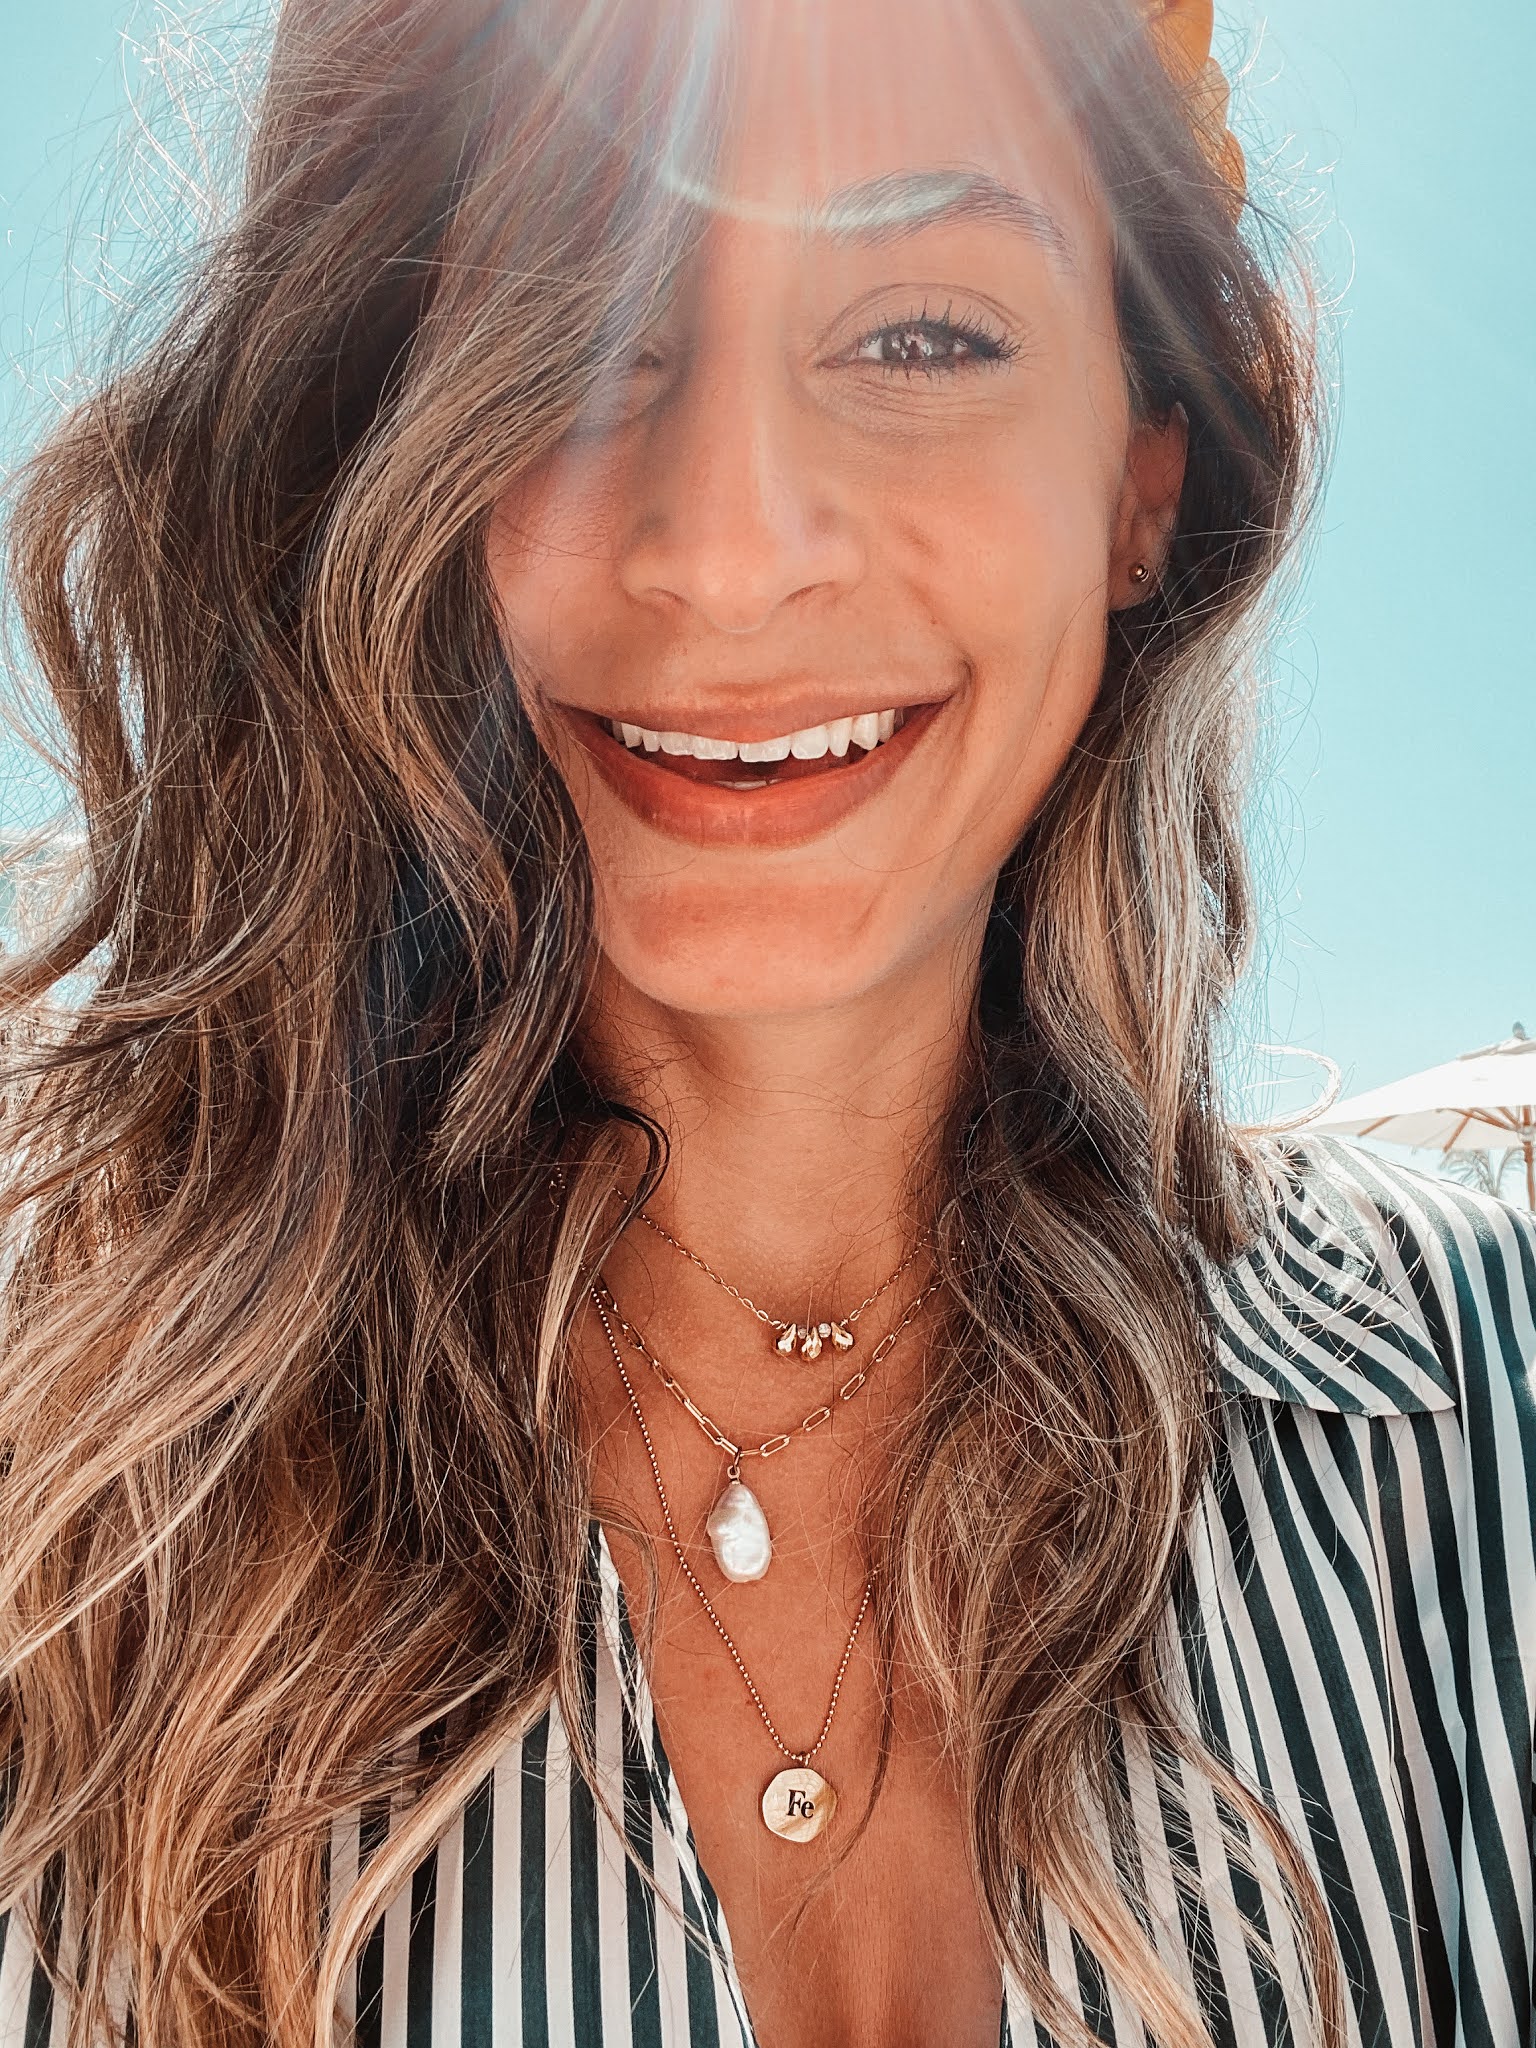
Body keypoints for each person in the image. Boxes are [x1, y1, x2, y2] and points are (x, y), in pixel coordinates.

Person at [1, 0, 1532, 2042]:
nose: (729, 555)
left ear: (1143, 481)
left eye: (924, 338)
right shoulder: (59, 1501)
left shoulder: (1492, 1397)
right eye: (574, 337)